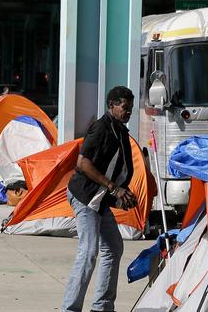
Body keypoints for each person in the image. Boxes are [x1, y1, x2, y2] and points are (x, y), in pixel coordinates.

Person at [62, 86, 137, 312]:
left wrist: (122, 193)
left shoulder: (120, 131)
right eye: (125, 107)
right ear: (111, 105)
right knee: (89, 252)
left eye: (130, 109)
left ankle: (102, 307)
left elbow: (119, 168)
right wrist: (114, 189)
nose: (128, 112)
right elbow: (82, 164)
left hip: (100, 200)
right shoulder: (101, 128)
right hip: (85, 198)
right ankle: (70, 308)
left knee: (113, 247)